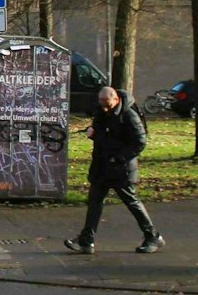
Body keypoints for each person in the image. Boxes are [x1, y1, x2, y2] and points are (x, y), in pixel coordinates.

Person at [65, 86, 163, 254]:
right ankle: (86, 240)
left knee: (131, 201)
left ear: (116, 99)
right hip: (102, 166)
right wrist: (93, 133)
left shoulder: (129, 116)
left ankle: (153, 236)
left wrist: (119, 158)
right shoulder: (101, 112)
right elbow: (104, 135)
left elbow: (140, 142)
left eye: (107, 104)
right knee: (94, 202)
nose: (104, 107)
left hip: (121, 169)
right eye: (101, 103)